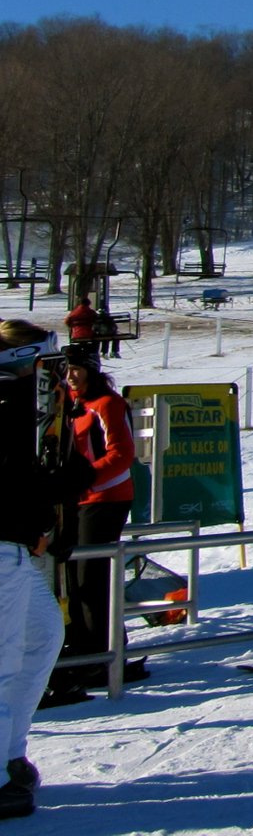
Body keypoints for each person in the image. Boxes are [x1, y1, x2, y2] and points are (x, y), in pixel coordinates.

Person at [1, 349, 64, 821]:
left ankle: (9, 751)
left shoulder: (26, 409)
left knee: (43, 635)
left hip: (17, 545)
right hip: (5, 542)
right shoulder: (13, 402)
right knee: (2, 661)